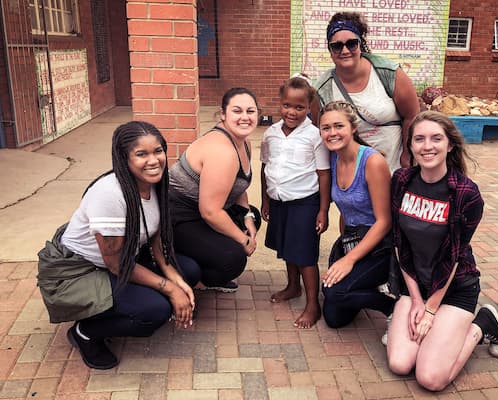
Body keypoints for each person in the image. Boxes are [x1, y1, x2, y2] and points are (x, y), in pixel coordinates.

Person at [37, 121, 200, 370]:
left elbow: (155, 235)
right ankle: (86, 332)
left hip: (119, 261)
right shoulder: (110, 195)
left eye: (158, 151)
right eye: (141, 154)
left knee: (188, 271)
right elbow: (116, 264)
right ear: (124, 158)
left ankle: (126, 303)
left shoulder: (154, 183)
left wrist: (173, 276)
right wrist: (170, 290)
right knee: (154, 311)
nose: (153, 160)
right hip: (78, 270)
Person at [386, 111, 498, 391]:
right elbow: (400, 244)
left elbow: (452, 256)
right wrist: (416, 300)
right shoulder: (401, 181)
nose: (427, 146)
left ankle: (481, 325)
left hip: (455, 287)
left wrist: (430, 311)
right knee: (400, 363)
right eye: (419, 139)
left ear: (450, 145)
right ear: (410, 145)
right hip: (416, 284)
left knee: (430, 378)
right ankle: (422, 328)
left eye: (436, 138)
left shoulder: (466, 194)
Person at [169, 87, 261, 293]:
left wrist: (246, 217)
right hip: (177, 219)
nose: (244, 117)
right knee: (233, 259)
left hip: (203, 212)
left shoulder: (243, 141)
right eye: (237, 111)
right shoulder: (222, 151)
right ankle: (186, 273)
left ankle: (202, 259)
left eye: (250, 111)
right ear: (223, 114)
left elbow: (238, 187)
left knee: (253, 216)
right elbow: (210, 211)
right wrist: (243, 239)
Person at [260, 74, 331, 329]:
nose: (292, 111)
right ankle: (293, 286)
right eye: (287, 105)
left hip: (305, 202)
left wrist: (323, 209)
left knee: (304, 253)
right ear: (280, 103)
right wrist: (265, 200)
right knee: (287, 246)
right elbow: (265, 166)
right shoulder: (271, 134)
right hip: (280, 201)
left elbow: (324, 174)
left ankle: (313, 303)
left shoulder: (314, 136)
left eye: (299, 107)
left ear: (309, 107)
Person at [319, 101, 396, 328]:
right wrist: (345, 248)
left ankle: (392, 306)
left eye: (338, 126)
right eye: (326, 128)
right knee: (334, 319)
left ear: (353, 128)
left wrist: (349, 261)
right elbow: (347, 210)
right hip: (352, 238)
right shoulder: (333, 157)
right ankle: (365, 284)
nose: (332, 133)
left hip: (381, 244)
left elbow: (385, 221)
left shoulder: (372, 162)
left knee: (334, 292)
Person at [312, 12, 421, 171]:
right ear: (329, 49)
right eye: (337, 46)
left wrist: (407, 154)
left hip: (394, 168)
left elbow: (412, 115)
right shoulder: (322, 89)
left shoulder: (389, 73)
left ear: (360, 44)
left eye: (351, 44)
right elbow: (321, 132)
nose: (344, 50)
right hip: (351, 173)